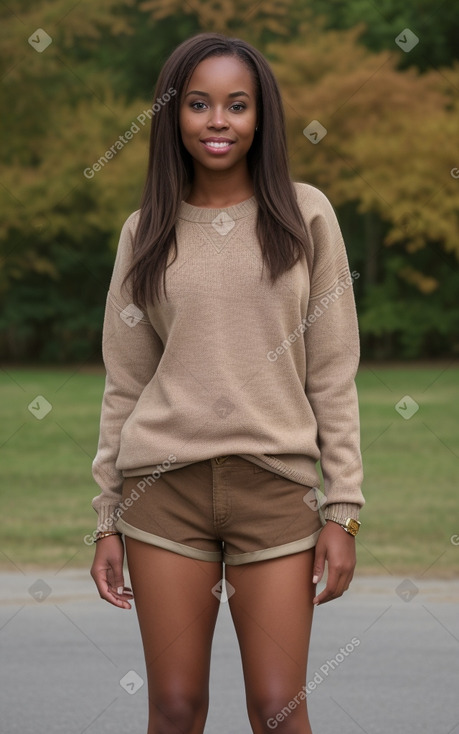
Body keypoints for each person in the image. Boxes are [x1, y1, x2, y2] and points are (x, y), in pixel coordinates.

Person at [90, 31, 364, 734]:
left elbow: (332, 374)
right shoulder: (144, 229)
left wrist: (341, 512)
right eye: (199, 105)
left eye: (236, 105)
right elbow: (124, 383)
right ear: (172, 117)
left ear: (260, 116)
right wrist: (105, 519)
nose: (218, 121)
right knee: (175, 708)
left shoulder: (305, 216)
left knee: (276, 708)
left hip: (274, 494)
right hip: (163, 495)